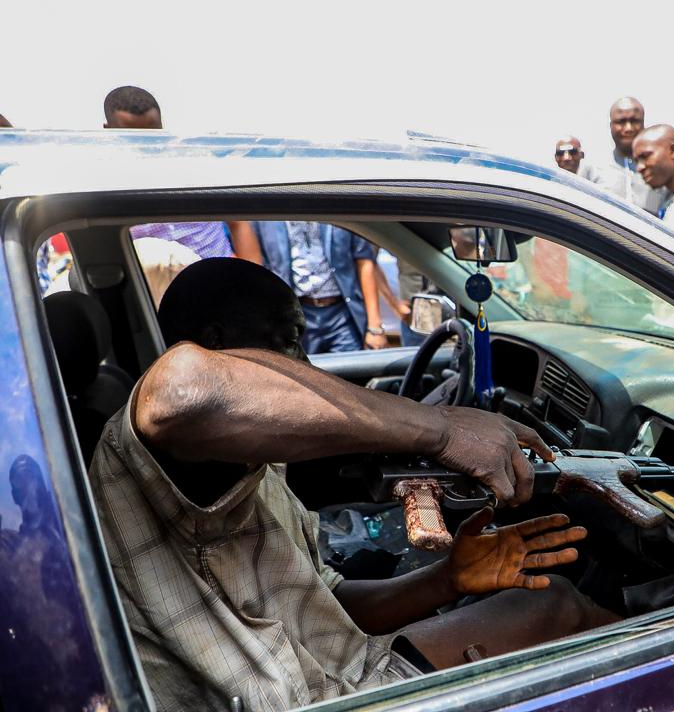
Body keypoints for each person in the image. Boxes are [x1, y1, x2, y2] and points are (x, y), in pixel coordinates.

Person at [88, 257, 614, 710]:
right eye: (290, 342)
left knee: (551, 603)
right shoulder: (155, 437)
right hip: (303, 700)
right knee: (558, 606)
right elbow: (184, 389)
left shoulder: (253, 459)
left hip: (333, 674)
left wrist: (447, 579)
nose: (305, 366)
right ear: (215, 344)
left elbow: (323, 602)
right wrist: (443, 429)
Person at [103, 86, 240, 260]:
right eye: (133, 137)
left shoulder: (195, 164)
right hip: (157, 285)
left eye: (154, 135)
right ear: (108, 131)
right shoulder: (105, 188)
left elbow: (238, 222)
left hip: (222, 275)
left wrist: (252, 274)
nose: (147, 146)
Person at [239, 221, 388, 352]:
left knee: (349, 378)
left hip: (342, 314)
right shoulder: (265, 218)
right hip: (295, 315)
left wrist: (375, 327)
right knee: (303, 378)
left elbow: (364, 261)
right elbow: (255, 268)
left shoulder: (338, 207)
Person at [583, 97, 668, 215]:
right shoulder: (592, 168)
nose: (628, 128)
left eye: (634, 121)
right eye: (621, 122)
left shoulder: (659, 169)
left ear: (643, 124)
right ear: (611, 125)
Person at [630, 124, 674, 221]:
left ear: (673, 151)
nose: (639, 168)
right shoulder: (666, 201)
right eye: (637, 161)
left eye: (645, 156)